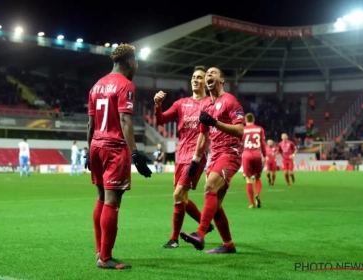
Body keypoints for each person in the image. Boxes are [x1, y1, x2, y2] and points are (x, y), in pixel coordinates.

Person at [85, 43, 152, 270]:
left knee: (101, 198)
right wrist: (135, 154)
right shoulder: (126, 85)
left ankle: (99, 250)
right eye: (137, 62)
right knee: (113, 202)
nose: (138, 66)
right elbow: (125, 121)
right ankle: (105, 258)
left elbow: (90, 124)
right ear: (130, 62)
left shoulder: (96, 86)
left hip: (96, 145)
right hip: (114, 148)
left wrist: (88, 150)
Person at [180, 67, 245, 254]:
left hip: (229, 153)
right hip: (214, 156)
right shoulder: (207, 107)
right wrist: (195, 160)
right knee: (215, 206)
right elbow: (203, 137)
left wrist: (215, 123)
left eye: (213, 73)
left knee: (209, 188)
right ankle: (228, 245)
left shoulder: (230, 101)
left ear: (222, 80)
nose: (209, 76)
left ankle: (200, 234)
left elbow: (240, 131)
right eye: (207, 74)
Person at [153, 66, 214, 249]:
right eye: (194, 77)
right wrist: (157, 105)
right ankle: (206, 224)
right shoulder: (181, 103)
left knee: (178, 194)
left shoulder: (210, 104)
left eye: (200, 78)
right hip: (181, 154)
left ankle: (174, 239)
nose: (195, 80)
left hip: (196, 155)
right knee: (182, 197)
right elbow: (161, 120)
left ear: (205, 82)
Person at [241, 113, 266, 208]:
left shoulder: (242, 129)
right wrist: (265, 155)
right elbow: (263, 143)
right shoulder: (260, 129)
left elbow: (239, 143)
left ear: (244, 120)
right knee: (258, 178)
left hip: (246, 154)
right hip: (257, 154)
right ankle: (258, 195)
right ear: (254, 119)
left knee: (248, 179)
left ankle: (251, 203)